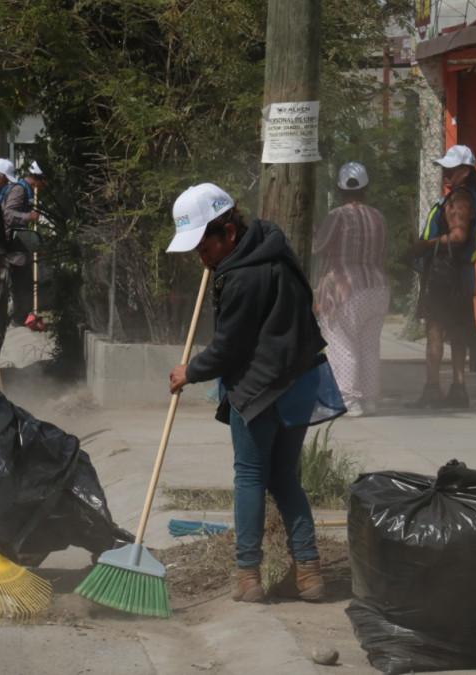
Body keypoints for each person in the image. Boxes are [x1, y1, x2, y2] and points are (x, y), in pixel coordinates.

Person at [167, 183, 333, 604]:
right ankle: (309, 572)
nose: (201, 258)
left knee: (251, 476)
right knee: (283, 476)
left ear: (228, 232)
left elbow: (229, 348)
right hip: (299, 378)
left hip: (260, 389)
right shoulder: (276, 247)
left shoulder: (239, 277)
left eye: (204, 248)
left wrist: (190, 371)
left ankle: (248, 577)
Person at [411, 145, 476, 408]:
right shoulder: (470, 198)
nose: (445, 173)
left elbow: (458, 236)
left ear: (465, 172)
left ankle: (432, 389)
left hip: (445, 275)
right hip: (462, 275)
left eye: (451, 169)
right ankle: (458, 389)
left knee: (435, 331)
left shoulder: (459, 200)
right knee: (457, 332)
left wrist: (425, 245)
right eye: (444, 168)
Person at [312, 162, 390, 417]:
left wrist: (313, 230)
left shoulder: (338, 215)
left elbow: (318, 247)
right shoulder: (378, 216)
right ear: (366, 188)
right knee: (368, 345)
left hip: (345, 287)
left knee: (341, 344)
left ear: (339, 188)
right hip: (377, 286)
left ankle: (347, 401)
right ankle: (368, 400)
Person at [0, 160, 47, 328]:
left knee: (25, 281)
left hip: (22, 245)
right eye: (44, 182)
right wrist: (28, 217)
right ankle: (17, 319)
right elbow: (8, 215)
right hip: (13, 246)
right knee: (21, 282)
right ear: (37, 179)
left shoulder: (28, 191)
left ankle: (21, 316)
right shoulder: (19, 190)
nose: (44, 187)